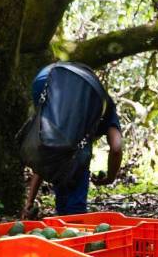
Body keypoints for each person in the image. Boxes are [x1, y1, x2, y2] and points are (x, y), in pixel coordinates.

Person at [20, 61, 123, 217]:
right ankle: (74, 220)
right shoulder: (105, 106)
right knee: (78, 155)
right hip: (60, 79)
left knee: (57, 149)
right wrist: (110, 178)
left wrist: (29, 201)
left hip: (46, 77)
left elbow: (46, 152)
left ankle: (64, 218)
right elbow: (116, 148)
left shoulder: (63, 129)